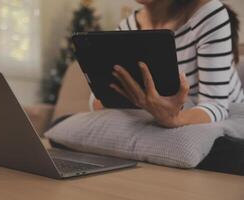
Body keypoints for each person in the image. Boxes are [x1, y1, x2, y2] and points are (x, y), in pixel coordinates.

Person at [90, 0, 244, 128]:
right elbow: (97, 100)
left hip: (228, 127)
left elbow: (216, 106)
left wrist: (174, 119)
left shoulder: (209, 14)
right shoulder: (127, 26)